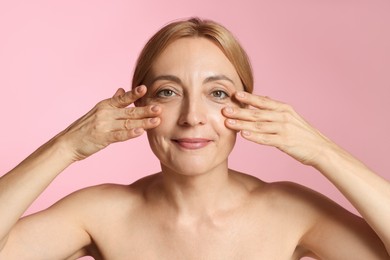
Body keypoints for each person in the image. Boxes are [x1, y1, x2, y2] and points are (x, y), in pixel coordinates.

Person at [0, 17, 389, 259]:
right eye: (168, 92)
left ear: (247, 104)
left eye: (217, 93)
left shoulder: (290, 212)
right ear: (138, 104)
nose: (191, 118)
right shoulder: (101, 213)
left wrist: (322, 151)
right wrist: (65, 147)